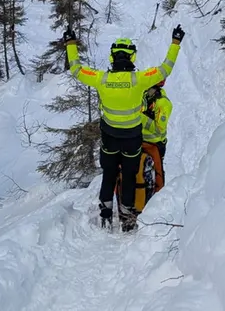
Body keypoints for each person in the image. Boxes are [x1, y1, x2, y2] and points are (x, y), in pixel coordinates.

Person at [62, 25, 185, 232]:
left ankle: (105, 213)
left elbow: (75, 69)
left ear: (112, 57)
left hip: (109, 138)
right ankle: (127, 217)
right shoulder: (140, 79)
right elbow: (166, 68)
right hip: (132, 140)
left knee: (109, 173)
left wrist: (70, 44)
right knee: (128, 176)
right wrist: (175, 43)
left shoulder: (102, 79)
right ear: (132, 57)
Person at [142, 79, 171, 185]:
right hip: (141, 141)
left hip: (155, 144)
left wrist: (140, 118)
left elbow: (159, 129)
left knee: (157, 171)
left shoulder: (163, 103)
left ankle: (159, 194)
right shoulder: (145, 98)